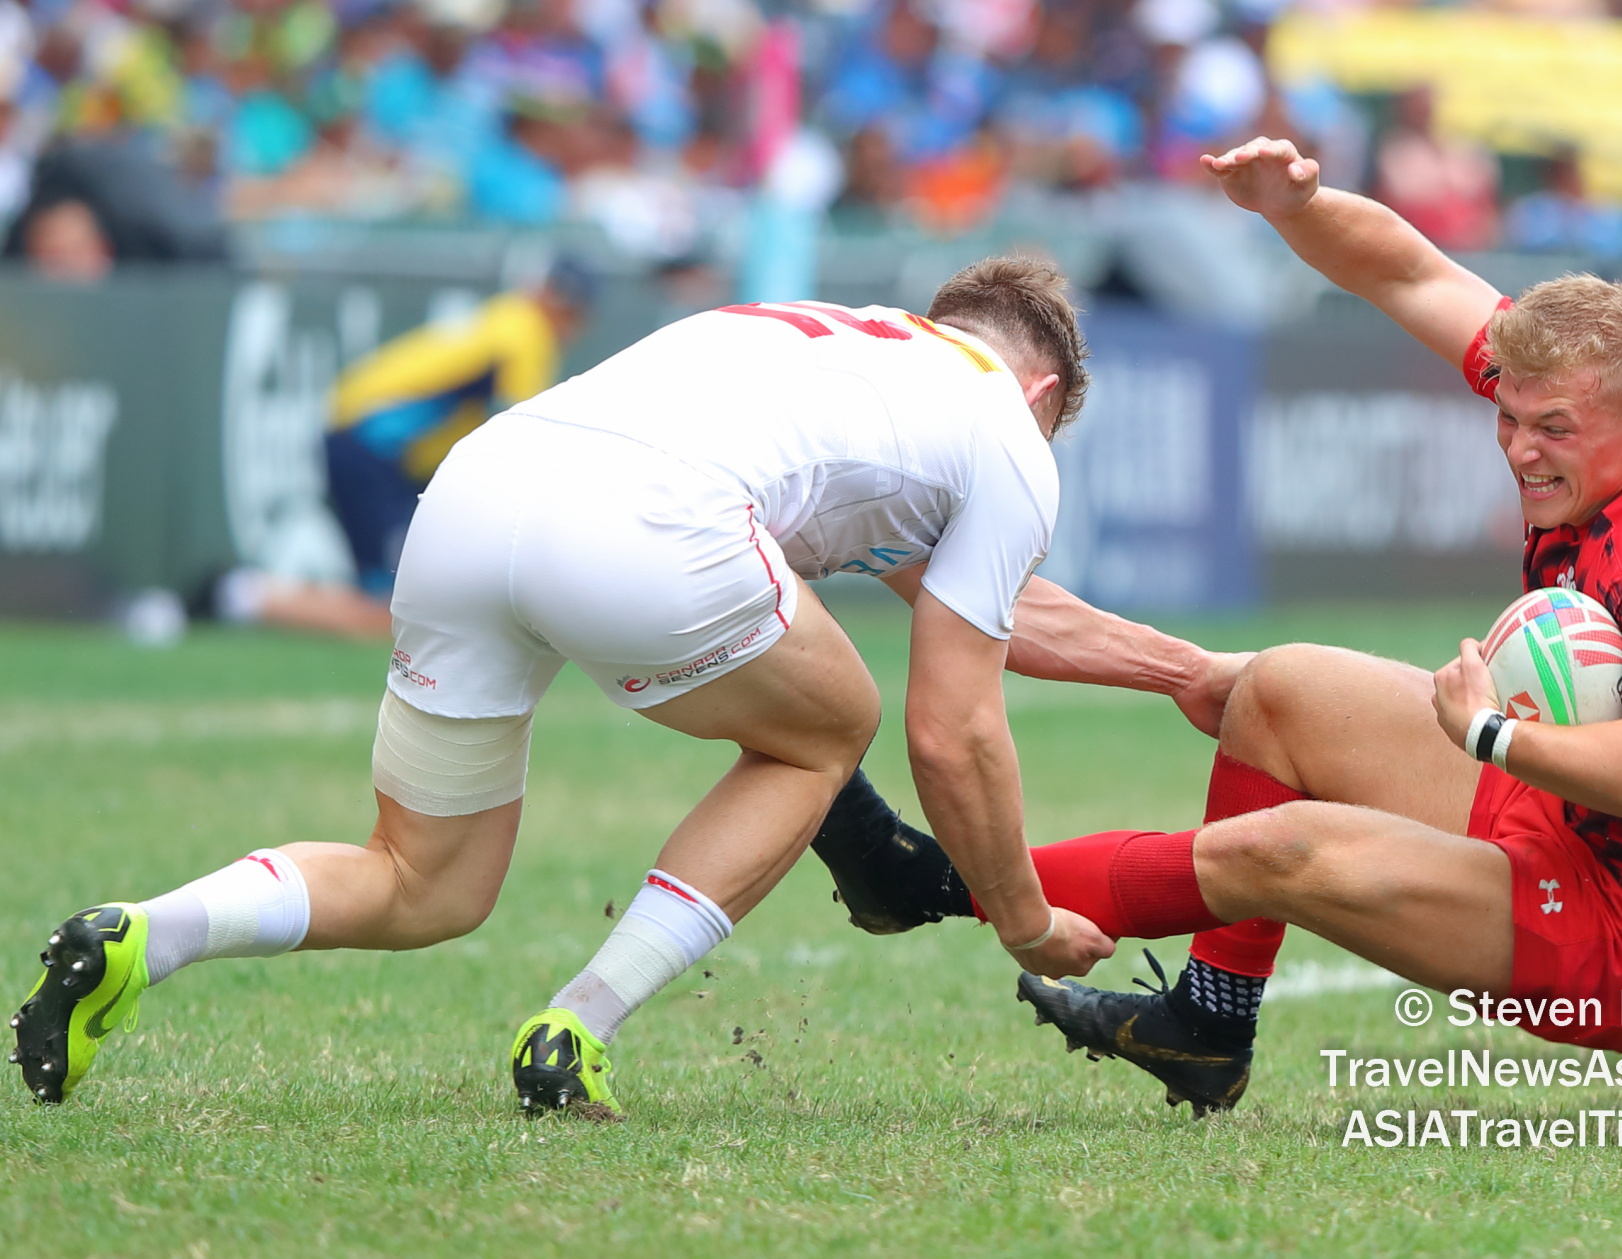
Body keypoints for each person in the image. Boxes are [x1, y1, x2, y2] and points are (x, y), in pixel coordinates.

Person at [10, 256, 1251, 1113]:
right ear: (1045, 394)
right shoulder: (1007, 434)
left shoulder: (844, 349)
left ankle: (148, 930)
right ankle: (578, 1025)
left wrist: (1179, 670)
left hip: (479, 494)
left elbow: (982, 600)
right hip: (651, 526)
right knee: (835, 728)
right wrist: (1022, 915)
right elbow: (955, 726)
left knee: (422, 880)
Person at [811, 138, 1622, 1117]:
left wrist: (1492, 734)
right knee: (1276, 688)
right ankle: (1207, 1024)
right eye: (1510, 417)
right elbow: (1406, 269)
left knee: (1282, 852)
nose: (1520, 451)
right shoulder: (1597, 398)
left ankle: (926, 880)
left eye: (1552, 431)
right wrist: (1293, 207)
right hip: (1565, 821)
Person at [323, 256, 596, 596]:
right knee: (398, 589)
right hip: (371, 443)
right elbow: (524, 430)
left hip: (362, 435)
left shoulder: (508, 314)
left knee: (390, 582)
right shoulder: (526, 333)